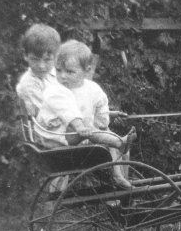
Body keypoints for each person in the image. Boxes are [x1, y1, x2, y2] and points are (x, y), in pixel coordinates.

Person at [34, 40, 136, 189]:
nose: (62, 76)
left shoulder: (92, 89)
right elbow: (67, 112)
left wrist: (107, 116)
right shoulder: (56, 90)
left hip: (79, 134)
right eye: (58, 70)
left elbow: (100, 108)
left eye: (69, 71)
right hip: (57, 136)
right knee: (102, 134)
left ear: (87, 70)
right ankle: (120, 145)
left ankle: (119, 176)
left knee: (108, 133)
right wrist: (82, 126)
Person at [15, 23, 61, 117]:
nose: (42, 66)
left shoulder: (58, 73)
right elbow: (45, 113)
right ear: (25, 56)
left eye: (47, 60)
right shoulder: (28, 83)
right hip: (46, 127)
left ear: (56, 57)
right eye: (35, 59)